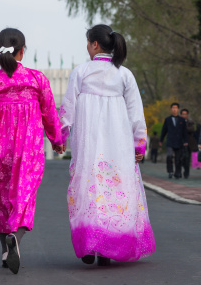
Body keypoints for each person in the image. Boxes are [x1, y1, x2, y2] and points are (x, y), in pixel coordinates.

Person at [0, 28, 64, 274]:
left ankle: (6, 252)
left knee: (0, 197)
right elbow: (49, 111)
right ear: (23, 50)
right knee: (24, 194)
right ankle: (15, 239)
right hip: (29, 147)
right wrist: (56, 139)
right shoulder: (37, 79)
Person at [59, 24, 155, 266]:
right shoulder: (124, 74)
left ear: (94, 44)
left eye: (87, 42)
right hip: (118, 144)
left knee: (88, 189)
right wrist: (139, 143)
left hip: (88, 143)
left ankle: (90, 245)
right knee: (116, 190)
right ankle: (109, 247)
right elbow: (136, 113)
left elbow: (67, 108)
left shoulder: (80, 72)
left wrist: (60, 136)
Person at [159, 103, 188, 179]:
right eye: (173, 108)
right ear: (171, 109)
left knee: (178, 159)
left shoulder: (182, 120)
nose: (174, 109)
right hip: (170, 141)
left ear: (178, 109)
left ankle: (177, 173)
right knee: (169, 156)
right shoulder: (167, 119)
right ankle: (170, 171)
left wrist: (186, 141)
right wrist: (161, 140)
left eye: (176, 108)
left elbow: (185, 131)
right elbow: (164, 130)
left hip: (179, 142)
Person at [180, 108, 197, 179]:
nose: (184, 115)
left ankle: (186, 172)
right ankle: (178, 172)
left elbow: (192, 129)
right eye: (183, 114)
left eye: (185, 114)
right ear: (181, 115)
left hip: (189, 143)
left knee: (187, 158)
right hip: (180, 143)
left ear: (187, 115)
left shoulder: (190, 122)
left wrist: (183, 127)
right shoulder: (178, 121)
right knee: (180, 158)